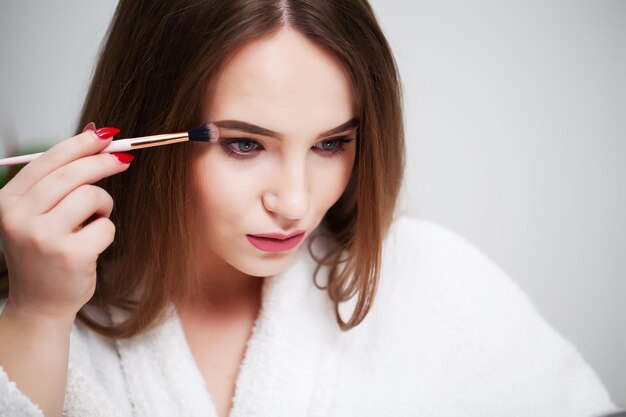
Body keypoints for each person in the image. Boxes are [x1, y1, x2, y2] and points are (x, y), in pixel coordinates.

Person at [0, 1, 622, 416]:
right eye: (245, 144)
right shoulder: (47, 302)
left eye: (331, 144)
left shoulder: (438, 282)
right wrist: (38, 315)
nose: (295, 203)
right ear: (144, 133)